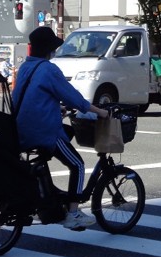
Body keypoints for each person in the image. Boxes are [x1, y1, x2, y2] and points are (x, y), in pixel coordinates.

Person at [12, 27, 111, 230]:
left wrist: (58, 107)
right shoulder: (49, 69)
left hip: (20, 130)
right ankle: (73, 213)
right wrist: (99, 112)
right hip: (43, 131)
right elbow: (73, 97)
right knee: (78, 164)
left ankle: (52, 200)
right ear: (50, 49)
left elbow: (31, 98)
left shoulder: (25, 68)